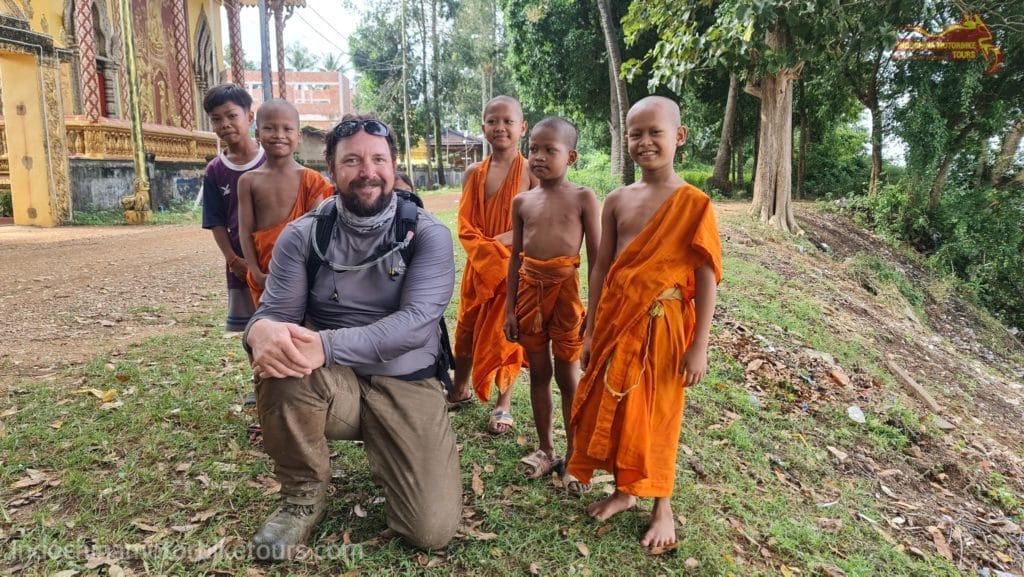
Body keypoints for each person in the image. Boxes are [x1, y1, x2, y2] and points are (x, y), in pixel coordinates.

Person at [243, 113, 460, 560]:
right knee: (282, 360)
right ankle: (302, 495)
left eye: (379, 159)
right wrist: (258, 331)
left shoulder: (427, 235)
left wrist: (325, 344)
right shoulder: (303, 236)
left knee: (430, 530)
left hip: (406, 380)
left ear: (395, 166)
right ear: (331, 168)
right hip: (331, 379)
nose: (368, 172)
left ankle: (395, 446)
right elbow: (275, 314)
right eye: (353, 160)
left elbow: (416, 322)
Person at [566, 96, 722, 548]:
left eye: (655, 132)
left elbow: (706, 273)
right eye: (635, 133)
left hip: (665, 325)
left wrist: (700, 344)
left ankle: (662, 506)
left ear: (679, 136)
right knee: (616, 409)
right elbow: (600, 267)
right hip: (617, 320)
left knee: (659, 414)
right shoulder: (617, 200)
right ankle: (624, 491)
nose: (645, 141)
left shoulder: (693, 203)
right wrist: (591, 327)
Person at [503, 117, 600, 491]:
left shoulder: (583, 198)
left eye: (550, 150)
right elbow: (515, 258)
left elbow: (597, 259)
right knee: (539, 373)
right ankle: (546, 449)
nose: (538, 157)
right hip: (529, 293)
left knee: (568, 376)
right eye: (534, 149)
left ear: (571, 156)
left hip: (567, 296)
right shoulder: (523, 201)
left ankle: (576, 457)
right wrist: (511, 307)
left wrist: (594, 310)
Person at [449, 95, 538, 435]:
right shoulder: (474, 172)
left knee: (506, 336)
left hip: (512, 270)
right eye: (492, 121)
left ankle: (503, 403)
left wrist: (496, 245)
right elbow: (465, 224)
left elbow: (533, 224)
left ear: (522, 127)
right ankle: (460, 388)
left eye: (508, 121)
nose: (500, 127)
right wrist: (486, 249)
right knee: (467, 328)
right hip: (479, 267)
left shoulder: (530, 171)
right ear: (483, 126)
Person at [237, 99, 333, 305]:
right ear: (257, 134)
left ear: (298, 137)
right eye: (269, 128)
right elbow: (245, 232)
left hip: (303, 271)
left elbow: (317, 232)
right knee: (272, 329)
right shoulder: (248, 181)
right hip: (265, 272)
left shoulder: (312, 180)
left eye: (287, 129)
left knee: (304, 330)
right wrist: (255, 272)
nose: (278, 135)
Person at [200, 84, 266, 332]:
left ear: (249, 117)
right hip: (241, 264)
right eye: (216, 119)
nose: (224, 124)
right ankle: (258, 371)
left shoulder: (272, 159)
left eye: (231, 115)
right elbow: (216, 221)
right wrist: (233, 260)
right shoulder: (215, 171)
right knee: (251, 330)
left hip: (277, 258)